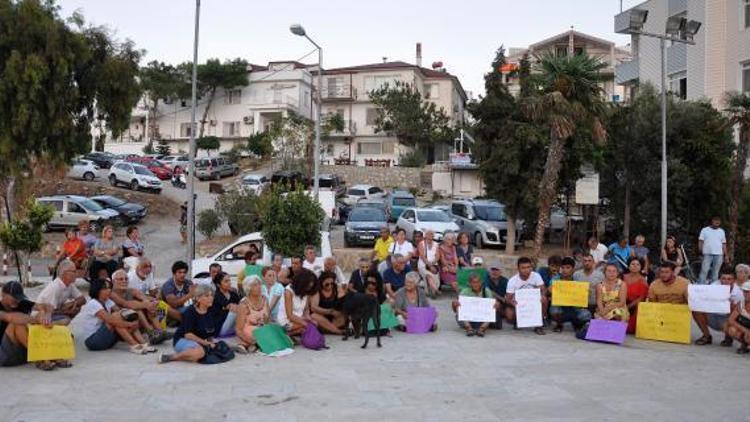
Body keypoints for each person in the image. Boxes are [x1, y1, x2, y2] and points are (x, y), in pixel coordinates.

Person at [80, 279, 155, 354]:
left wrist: (131, 318)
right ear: (97, 290)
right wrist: (130, 324)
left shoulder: (108, 301)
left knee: (125, 315)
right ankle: (134, 345)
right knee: (115, 318)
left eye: (109, 288)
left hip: (107, 339)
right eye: (105, 288)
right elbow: (110, 320)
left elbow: (121, 312)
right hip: (94, 341)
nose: (109, 290)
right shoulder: (93, 303)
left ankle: (143, 343)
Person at [158, 284, 218, 364]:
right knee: (200, 352)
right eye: (207, 296)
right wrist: (206, 343)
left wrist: (211, 342)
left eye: (211, 295)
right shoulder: (190, 311)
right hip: (182, 339)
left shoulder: (211, 310)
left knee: (214, 348)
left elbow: (209, 331)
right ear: (198, 298)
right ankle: (171, 357)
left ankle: (190, 354)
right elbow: (188, 335)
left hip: (198, 341)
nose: (211, 298)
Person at [0, 282, 53, 370]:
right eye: (14, 297)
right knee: (17, 324)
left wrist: (45, 314)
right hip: (4, 355)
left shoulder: (21, 303)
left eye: (19, 298)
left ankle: (50, 354)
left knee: (41, 317)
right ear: (3, 294)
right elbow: (11, 317)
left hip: (23, 352)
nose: (17, 301)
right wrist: (36, 320)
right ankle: (40, 356)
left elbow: (48, 306)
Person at [109, 269, 169, 345]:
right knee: (137, 309)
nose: (124, 281)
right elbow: (126, 304)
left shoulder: (131, 290)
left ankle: (159, 332)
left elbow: (143, 297)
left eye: (126, 279)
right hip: (121, 328)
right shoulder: (111, 293)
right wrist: (146, 305)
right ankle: (151, 333)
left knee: (148, 305)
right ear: (113, 281)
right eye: (121, 279)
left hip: (135, 324)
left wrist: (149, 303)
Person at [693, 266, 741, 347]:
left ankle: (728, 337)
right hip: (712, 315)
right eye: (723, 278)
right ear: (719, 279)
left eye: (729, 279)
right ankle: (706, 336)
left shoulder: (739, 293)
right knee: (696, 309)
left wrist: (732, 306)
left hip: (727, 319)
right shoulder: (713, 286)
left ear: (734, 280)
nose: (726, 281)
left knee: (735, 310)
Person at [505, 256, 547, 335]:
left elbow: (543, 289)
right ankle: (519, 321)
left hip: (534, 304)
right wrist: (512, 303)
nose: (526, 270)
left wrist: (542, 295)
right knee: (509, 314)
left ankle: (538, 325)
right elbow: (508, 298)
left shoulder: (536, 276)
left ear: (531, 267)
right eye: (523, 268)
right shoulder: (512, 281)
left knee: (544, 300)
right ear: (518, 269)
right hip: (519, 305)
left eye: (528, 267)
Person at [36, 260, 86, 324]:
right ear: (64, 273)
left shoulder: (69, 285)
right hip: (41, 316)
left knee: (78, 310)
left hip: (54, 312)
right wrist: (67, 311)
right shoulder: (55, 287)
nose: (76, 274)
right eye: (74, 272)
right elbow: (49, 311)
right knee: (66, 320)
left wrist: (73, 303)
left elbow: (83, 300)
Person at [549, 257, 591, 333]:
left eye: (568, 268)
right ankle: (559, 324)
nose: (565, 270)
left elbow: (584, 296)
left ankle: (577, 324)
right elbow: (548, 293)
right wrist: (550, 290)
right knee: (554, 310)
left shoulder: (577, 279)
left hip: (574, 307)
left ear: (573, 269)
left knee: (586, 315)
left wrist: (586, 293)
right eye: (563, 268)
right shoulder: (555, 279)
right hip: (560, 306)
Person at [452, 273, 497, 337]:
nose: (476, 284)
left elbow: (491, 304)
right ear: (469, 283)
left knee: (493, 308)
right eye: (473, 282)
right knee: (458, 306)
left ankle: (482, 329)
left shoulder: (486, 291)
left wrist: (496, 305)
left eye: (478, 282)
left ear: (481, 282)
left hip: (482, 320)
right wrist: (455, 304)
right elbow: (455, 309)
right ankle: (469, 328)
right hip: (467, 320)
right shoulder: (465, 291)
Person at [235, 275, 270, 353]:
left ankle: (245, 345)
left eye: (259, 284)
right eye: (255, 285)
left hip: (262, 329)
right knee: (258, 332)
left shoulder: (265, 299)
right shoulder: (244, 304)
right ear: (248, 289)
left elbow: (268, 321)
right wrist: (251, 341)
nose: (259, 287)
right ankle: (251, 344)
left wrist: (266, 321)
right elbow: (238, 329)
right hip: (250, 331)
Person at [277, 268, 317, 336]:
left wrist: (309, 318)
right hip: (286, 322)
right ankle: (287, 334)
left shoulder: (305, 291)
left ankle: (294, 333)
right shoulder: (288, 292)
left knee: (314, 324)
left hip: (298, 319)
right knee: (306, 327)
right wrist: (305, 323)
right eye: (307, 286)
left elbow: (306, 309)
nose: (309, 288)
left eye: (310, 287)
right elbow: (290, 316)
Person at [623, 257, 649, 334]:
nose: (635, 266)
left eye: (638, 264)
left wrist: (627, 307)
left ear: (641, 267)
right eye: (633, 264)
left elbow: (641, 298)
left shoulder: (643, 280)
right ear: (628, 266)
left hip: (633, 305)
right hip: (620, 302)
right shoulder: (621, 277)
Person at [698, 216, 727, 284]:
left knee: (715, 272)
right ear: (712, 221)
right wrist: (700, 251)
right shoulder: (705, 230)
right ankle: (700, 286)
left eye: (718, 221)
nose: (717, 222)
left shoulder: (721, 231)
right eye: (715, 220)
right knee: (704, 270)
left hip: (719, 254)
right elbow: (700, 241)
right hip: (707, 253)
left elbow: (724, 244)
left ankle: (714, 287)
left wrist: (726, 255)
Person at [211, 272, 240, 337]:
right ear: (218, 285)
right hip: (220, 328)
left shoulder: (233, 294)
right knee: (234, 310)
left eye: (229, 280)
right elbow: (232, 307)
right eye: (226, 281)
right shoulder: (216, 296)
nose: (229, 283)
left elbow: (242, 305)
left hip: (233, 328)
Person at [726, 281, 750, 354]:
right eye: (744, 291)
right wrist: (745, 330)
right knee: (731, 329)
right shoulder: (741, 303)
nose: (745, 294)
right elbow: (730, 320)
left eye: (748, 292)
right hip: (747, 327)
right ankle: (745, 345)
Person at [484, 261, 508, 329]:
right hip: (490, 302)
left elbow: (509, 292)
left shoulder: (505, 281)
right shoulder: (487, 279)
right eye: (493, 269)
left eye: (497, 270)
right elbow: (488, 291)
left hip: (503, 303)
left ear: (501, 271)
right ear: (489, 271)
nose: (494, 272)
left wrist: (506, 298)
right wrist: (501, 298)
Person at [417, 230, 441, 297]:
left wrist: (433, 264)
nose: (430, 235)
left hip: (434, 264)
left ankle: (432, 290)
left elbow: (438, 256)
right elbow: (422, 256)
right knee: (428, 275)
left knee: (433, 277)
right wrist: (429, 265)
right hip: (423, 264)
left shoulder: (436, 244)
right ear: (425, 235)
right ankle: (435, 290)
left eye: (431, 234)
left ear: (433, 236)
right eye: (428, 234)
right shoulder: (421, 243)